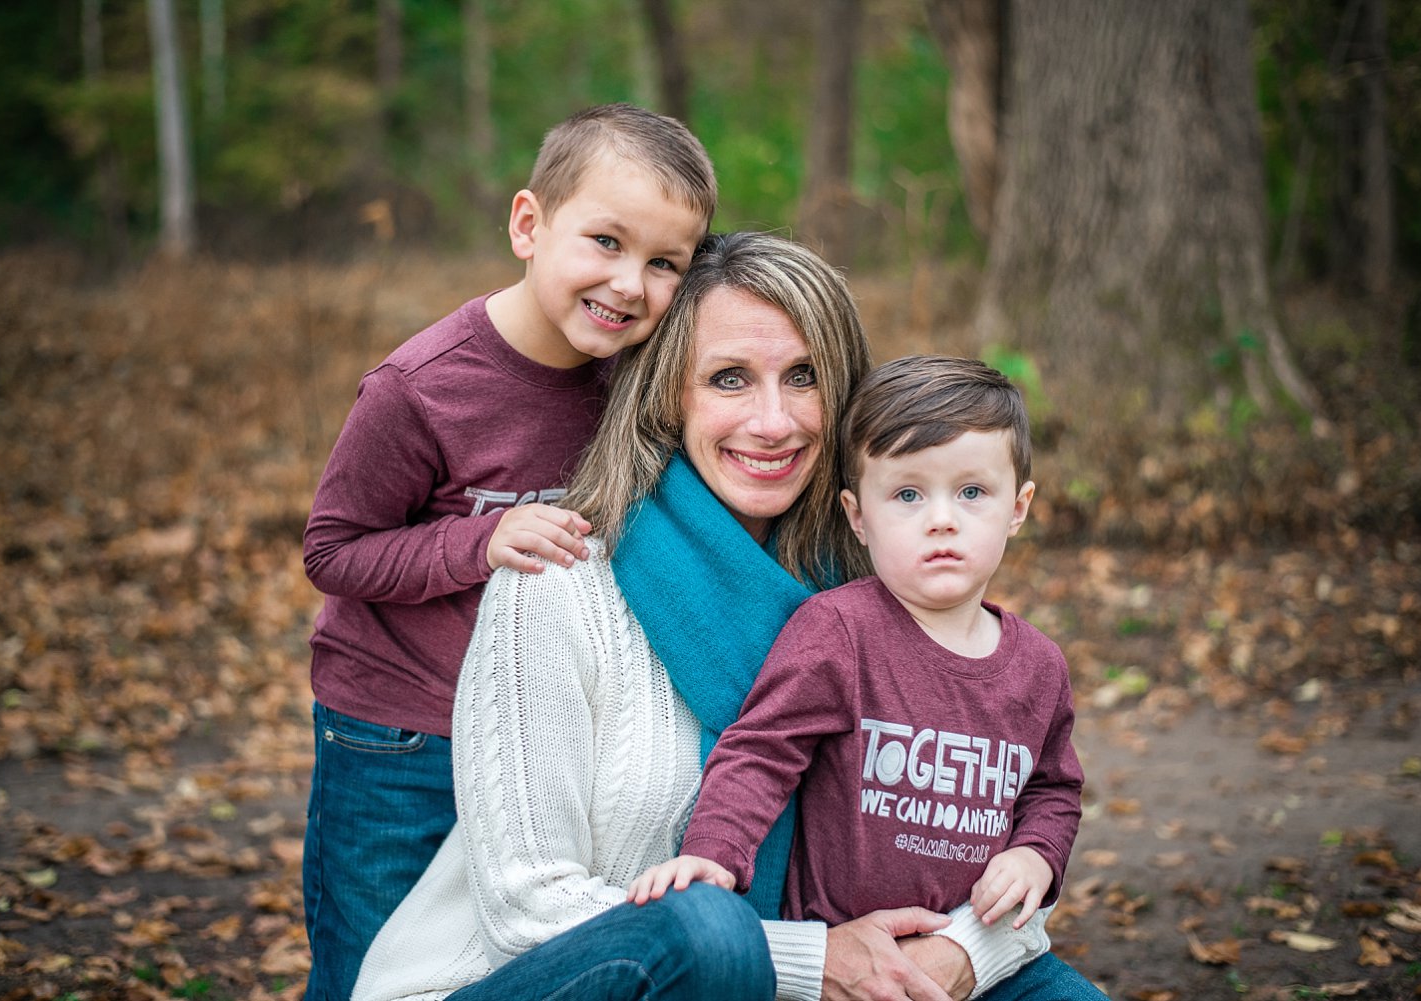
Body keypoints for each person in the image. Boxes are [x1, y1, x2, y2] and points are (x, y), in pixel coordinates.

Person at [353, 234, 1101, 1001]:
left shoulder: (890, 592)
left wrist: (961, 953)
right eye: (730, 378)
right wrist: (814, 962)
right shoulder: (560, 579)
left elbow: (976, 821)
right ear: (670, 393)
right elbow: (525, 907)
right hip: (513, 981)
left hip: (806, 977)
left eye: (804, 377)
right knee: (706, 929)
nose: (772, 422)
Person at [299, 103, 716, 1001]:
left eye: (663, 263)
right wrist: (479, 540)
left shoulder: (636, 381)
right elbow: (333, 551)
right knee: (373, 972)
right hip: (403, 733)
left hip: (548, 742)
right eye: (605, 240)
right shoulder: (422, 388)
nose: (629, 283)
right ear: (529, 224)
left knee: (504, 961)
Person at [628, 356, 1092, 994]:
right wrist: (713, 855)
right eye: (907, 494)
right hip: (845, 961)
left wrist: (1035, 852)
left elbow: (1053, 788)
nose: (941, 518)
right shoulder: (840, 631)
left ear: (1018, 506)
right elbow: (762, 750)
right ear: (857, 515)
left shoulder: (1038, 666)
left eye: (972, 492)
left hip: (982, 957)